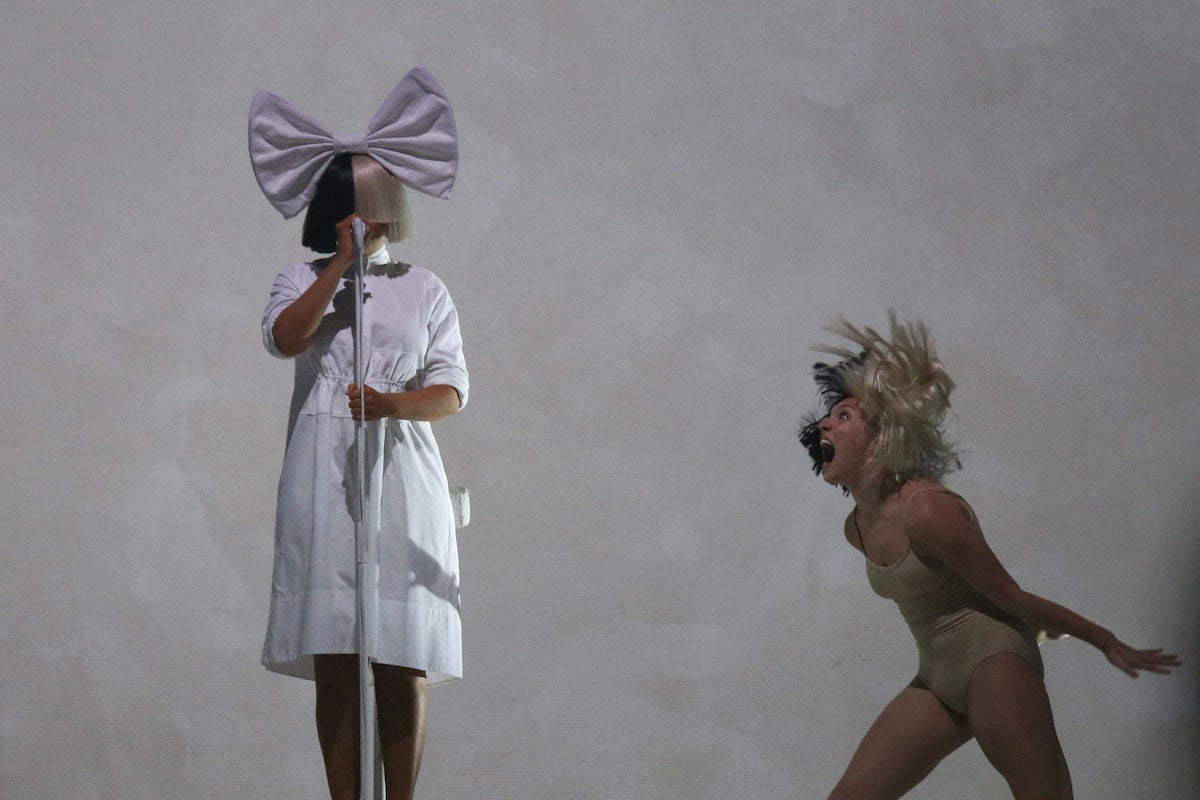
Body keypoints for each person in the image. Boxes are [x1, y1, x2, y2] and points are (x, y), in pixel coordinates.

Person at [797, 312, 1179, 800]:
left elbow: (1013, 598)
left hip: (995, 666)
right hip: (936, 682)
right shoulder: (857, 529)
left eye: (844, 416)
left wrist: (1106, 641)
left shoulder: (927, 511)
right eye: (829, 417)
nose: (825, 423)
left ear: (883, 436)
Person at [249, 71, 467, 800]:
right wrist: (340, 265)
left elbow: (451, 390)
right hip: (322, 473)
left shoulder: (425, 288)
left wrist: (393, 403)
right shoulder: (298, 278)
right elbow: (286, 339)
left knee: (402, 655)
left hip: (400, 472)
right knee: (337, 655)